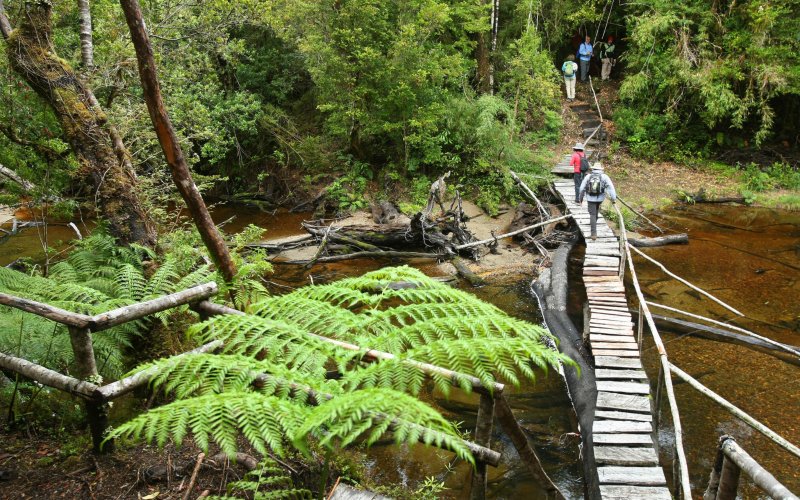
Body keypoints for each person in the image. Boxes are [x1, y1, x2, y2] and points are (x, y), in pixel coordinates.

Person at [578, 162, 617, 241]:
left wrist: (580, 198)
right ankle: (594, 224)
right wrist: (613, 199)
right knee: (595, 211)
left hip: (590, 198)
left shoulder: (588, 176)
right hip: (600, 198)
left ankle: (593, 234)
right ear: (601, 169)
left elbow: (582, 188)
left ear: (593, 169)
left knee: (592, 214)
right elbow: (611, 188)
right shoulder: (605, 177)